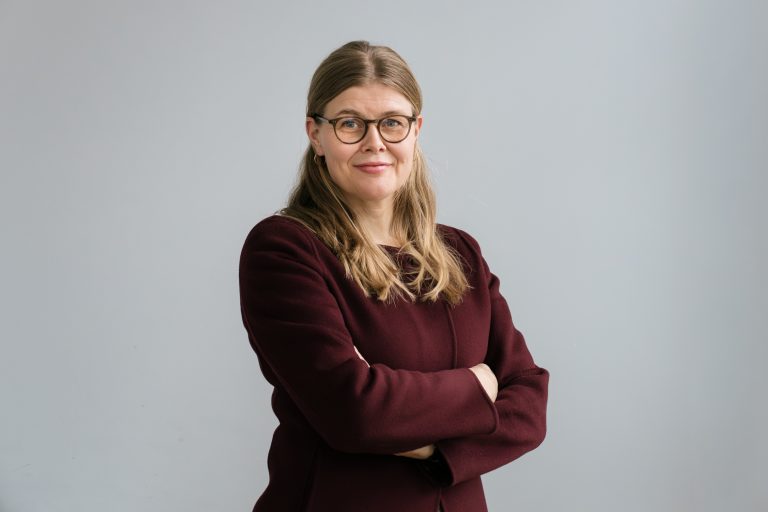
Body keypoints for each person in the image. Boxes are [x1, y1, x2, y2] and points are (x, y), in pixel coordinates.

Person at [238, 40, 549, 512]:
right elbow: (355, 412)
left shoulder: (461, 253)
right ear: (316, 135)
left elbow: (529, 403)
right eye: (349, 124)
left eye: (392, 122)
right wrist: (480, 386)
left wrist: (433, 452)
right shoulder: (285, 249)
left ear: (416, 130)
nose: (374, 142)